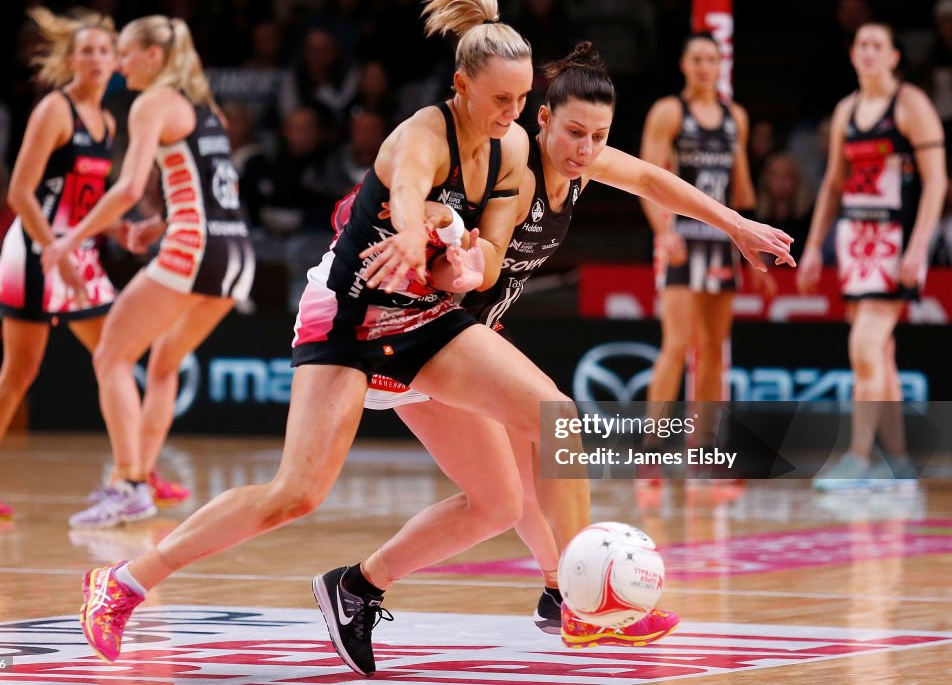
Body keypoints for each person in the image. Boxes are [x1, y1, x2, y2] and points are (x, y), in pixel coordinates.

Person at [72, 0, 583, 669]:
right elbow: (407, 188)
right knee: (297, 492)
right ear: (461, 87)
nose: (513, 112)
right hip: (348, 315)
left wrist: (474, 265)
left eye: (523, 99)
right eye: (501, 98)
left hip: (425, 320)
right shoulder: (422, 130)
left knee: (532, 452)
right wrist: (413, 227)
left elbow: (491, 250)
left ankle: (534, 593)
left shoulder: (513, 147)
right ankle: (121, 583)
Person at [336, 42, 795, 663]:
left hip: (464, 337)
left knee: (506, 498)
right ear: (542, 119)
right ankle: (586, 605)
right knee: (557, 429)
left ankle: (364, 587)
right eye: (575, 131)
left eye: (599, 137)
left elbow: (653, 181)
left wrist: (736, 225)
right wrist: (451, 257)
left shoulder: (580, 165)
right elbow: (452, 253)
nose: (586, 149)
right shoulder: (517, 174)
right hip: (423, 331)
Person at [42, 14, 255, 528]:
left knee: (112, 355)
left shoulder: (153, 103)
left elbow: (128, 187)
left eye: (126, 53)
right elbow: (214, 194)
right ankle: (140, 479)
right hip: (236, 252)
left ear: (153, 57)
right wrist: (161, 223)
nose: (117, 63)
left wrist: (71, 237)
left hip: (195, 247)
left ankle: (128, 483)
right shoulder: (208, 111)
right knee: (162, 366)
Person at [0, 8, 118, 520]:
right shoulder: (54, 111)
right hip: (37, 250)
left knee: (116, 353)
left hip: (76, 250)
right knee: (19, 372)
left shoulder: (106, 120)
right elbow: (20, 192)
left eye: (104, 50)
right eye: (85, 49)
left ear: (115, 61)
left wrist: (117, 228)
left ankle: (132, 470)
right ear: (70, 59)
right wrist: (54, 253)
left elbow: (83, 201)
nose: (95, 58)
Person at [798, 22, 946, 490]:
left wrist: (918, 246)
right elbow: (833, 186)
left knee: (864, 346)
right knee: (881, 352)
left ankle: (859, 457)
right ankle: (900, 461)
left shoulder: (912, 104)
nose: (867, 52)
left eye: (877, 45)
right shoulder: (847, 110)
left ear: (894, 56)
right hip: (854, 239)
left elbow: (938, 182)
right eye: (861, 44)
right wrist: (814, 249)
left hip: (895, 239)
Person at [638, 32, 769, 417]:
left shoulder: (736, 117)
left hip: (722, 242)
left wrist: (756, 248)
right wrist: (663, 232)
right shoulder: (669, 111)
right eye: (696, 59)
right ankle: (652, 448)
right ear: (683, 65)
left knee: (714, 347)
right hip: (681, 237)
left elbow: (742, 194)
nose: (704, 67)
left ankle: (705, 445)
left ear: (720, 65)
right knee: (677, 344)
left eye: (710, 59)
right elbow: (646, 182)